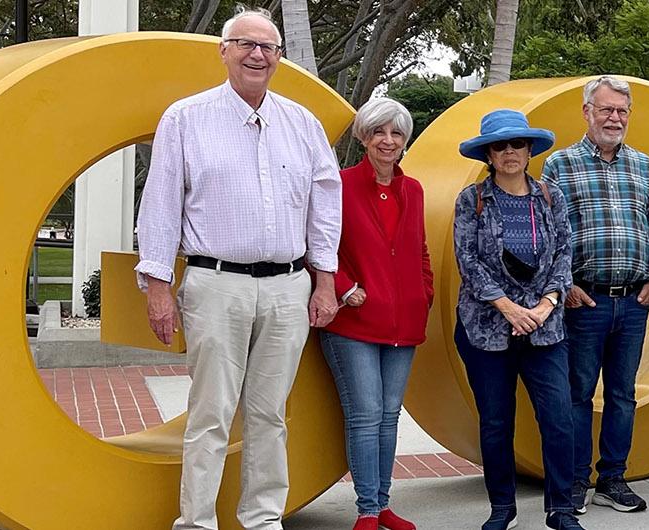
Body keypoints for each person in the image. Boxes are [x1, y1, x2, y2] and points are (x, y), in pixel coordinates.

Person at [134, 9, 342, 529]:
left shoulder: (302, 123)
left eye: (268, 47)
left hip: (287, 288)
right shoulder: (185, 118)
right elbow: (160, 205)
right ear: (223, 51)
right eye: (245, 43)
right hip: (214, 285)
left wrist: (325, 280)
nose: (257, 54)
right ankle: (197, 521)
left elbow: (324, 205)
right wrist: (158, 286)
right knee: (210, 415)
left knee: (270, 416)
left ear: (279, 58)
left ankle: (263, 520)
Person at [452, 109, 585, 530]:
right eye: (499, 145)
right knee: (495, 422)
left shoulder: (551, 196)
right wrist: (508, 307)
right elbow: (467, 260)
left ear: (530, 150)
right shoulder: (471, 200)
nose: (509, 152)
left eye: (517, 144)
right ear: (488, 154)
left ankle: (561, 508)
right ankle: (502, 508)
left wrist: (545, 307)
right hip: (487, 327)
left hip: (545, 328)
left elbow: (565, 254)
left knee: (559, 418)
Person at [546, 75, 649, 515]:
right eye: (606, 109)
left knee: (622, 394)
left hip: (634, 303)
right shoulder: (559, 166)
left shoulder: (645, 166)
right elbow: (551, 235)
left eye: (622, 110)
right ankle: (576, 481)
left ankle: (612, 478)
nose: (614, 117)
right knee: (577, 394)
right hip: (585, 302)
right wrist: (566, 285)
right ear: (587, 112)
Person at [321, 97, 430, 530]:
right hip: (353, 323)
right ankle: (366, 510)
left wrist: (424, 294)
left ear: (405, 140)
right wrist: (346, 288)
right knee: (365, 415)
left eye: (396, 133)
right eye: (378, 132)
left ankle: (384, 505)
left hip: (405, 321)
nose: (388, 141)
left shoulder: (414, 189)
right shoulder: (339, 184)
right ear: (364, 137)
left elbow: (420, 249)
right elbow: (319, 244)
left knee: (389, 415)